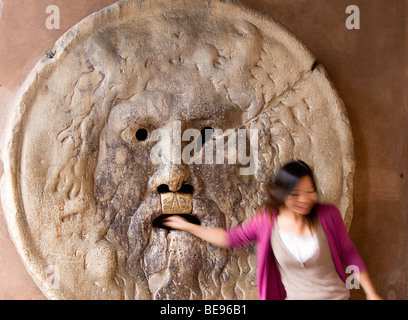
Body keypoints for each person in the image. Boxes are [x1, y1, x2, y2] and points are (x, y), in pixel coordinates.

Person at [162, 160, 382, 300]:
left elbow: (349, 254)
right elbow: (230, 238)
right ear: (281, 194)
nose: (305, 200)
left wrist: (371, 293)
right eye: (296, 194)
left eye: (310, 192)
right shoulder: (266, 221)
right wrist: (187, 225)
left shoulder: (328, 215)